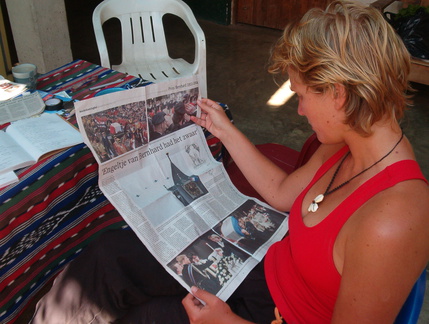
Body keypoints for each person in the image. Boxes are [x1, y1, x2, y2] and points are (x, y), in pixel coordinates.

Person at [31, 1, 429, 324]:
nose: (300, 111)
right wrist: (223, 130)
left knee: (145, 316)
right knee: (110, 255)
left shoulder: (394, 219)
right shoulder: (347, 140)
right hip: (263, 270)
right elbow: (280, 194)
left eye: (302, 95)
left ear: (338, 95)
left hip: (273, 314)